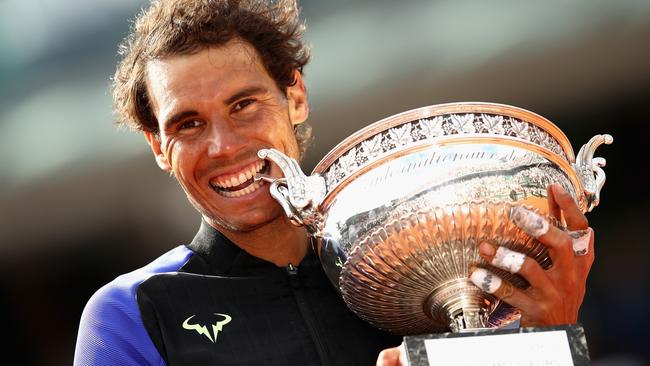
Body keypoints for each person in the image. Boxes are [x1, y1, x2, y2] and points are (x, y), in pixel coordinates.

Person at [74, 1, 595, 365]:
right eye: (188, 124)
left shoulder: (429, 263)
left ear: (294, 97)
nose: (223, 147)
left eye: (243, 104)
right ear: (158, 146)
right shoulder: (133, 313)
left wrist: (549, 338)